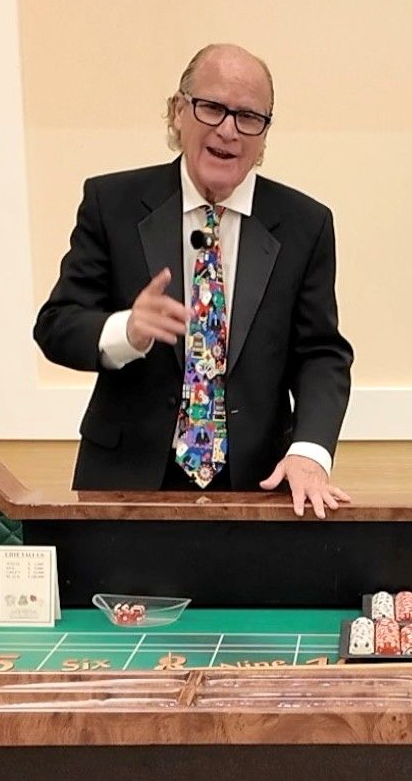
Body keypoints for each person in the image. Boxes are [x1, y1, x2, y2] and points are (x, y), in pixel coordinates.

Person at [33, 44, 353, 517]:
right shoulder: (112, 202)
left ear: (264, 135)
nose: (228, 129)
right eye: (212, 107)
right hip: (124, 483)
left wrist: (310, 451)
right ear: (178, 111)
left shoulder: (305, 224)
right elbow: (56, 326)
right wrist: (126, 330)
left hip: (259, 485)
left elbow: (321, 354)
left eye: (249, 117)